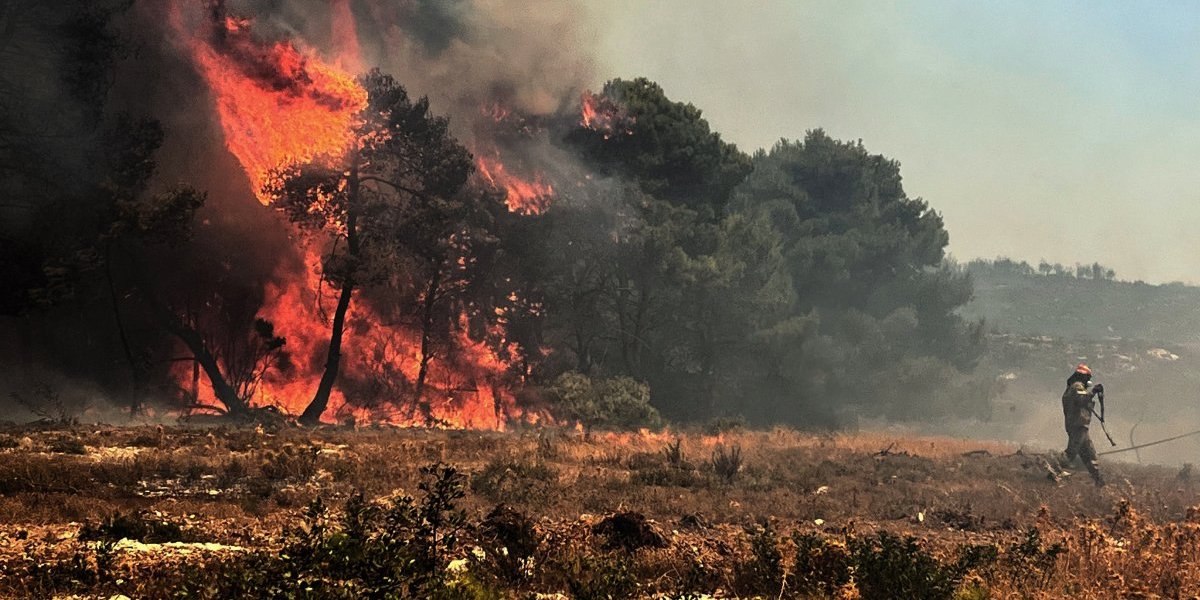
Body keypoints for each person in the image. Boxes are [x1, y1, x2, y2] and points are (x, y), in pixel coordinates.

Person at [1061, 363, 1104, 486]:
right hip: (1077, 425)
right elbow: (1082, 399)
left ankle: (1099, 481)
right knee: (1071, 452)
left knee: (1090, 455)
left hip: (1081, 426)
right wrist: (1094, 391)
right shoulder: (1077, 386)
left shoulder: (1074, 387)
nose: (1088, 381)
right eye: (1088, 378)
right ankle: (1054, 471)